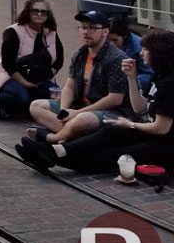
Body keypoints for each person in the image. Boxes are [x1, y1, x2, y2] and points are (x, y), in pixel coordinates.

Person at [16, 29, 174, 174]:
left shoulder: (170, 83)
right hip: (151, 134)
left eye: (146, 50)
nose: (140, 53)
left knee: (117, 154)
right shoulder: (159, 76)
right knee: (111, 132)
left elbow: (161, 128)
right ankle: (54, 150)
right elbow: (139, 108)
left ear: (158, 52)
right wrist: (131, 78)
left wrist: (130, 124)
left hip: (165, 144)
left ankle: (53, 156)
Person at [26, 10, 135, 144]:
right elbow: (70, 86)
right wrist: (64, 111)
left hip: (110, 111)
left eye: (92, 28)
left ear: (105, 32)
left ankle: (53, 138)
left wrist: (77, 113)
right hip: (80, 106)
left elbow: (115, 99)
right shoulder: (80, 54)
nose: (86, 32)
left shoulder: (116, 58)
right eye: (83, 27)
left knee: (81, 120)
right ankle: (71, 136)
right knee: (36, 106)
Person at [0, 0, 65, 119]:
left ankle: (6, 108)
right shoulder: (14, 31)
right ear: (27, 12)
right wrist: (25, 83)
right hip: (11, 75)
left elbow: (59, 60)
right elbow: (7, 63)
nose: (39, 14)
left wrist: (46, 75)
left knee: (55, 97)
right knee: (23, 97)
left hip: (39, 78)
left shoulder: (51, 32)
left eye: (43, 12)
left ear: (48, 15)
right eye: (35, 11)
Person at [109, 16, 150, 92]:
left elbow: (149, 74)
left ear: (124, 36)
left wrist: (130, 83)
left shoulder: (138, 48)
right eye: (108, 40)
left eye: (115, 40)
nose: (111, 44)